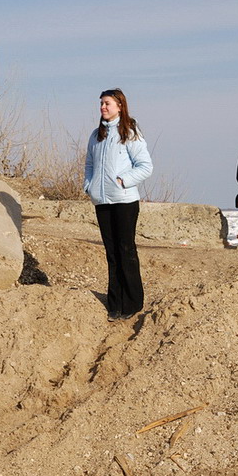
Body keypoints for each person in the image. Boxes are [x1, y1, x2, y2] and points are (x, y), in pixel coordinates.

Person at [83, 88, 153, 321]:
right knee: (111, 253)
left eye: (108, 103)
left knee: (126, 251)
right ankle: (115, 304)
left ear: (120, 106)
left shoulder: (130, 133)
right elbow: (89, 165)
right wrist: (89, 186)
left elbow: (145, 166)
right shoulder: (96, 135)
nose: (103, 107)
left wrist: (123, 181)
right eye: (101, 103)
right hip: (102, 202)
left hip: (124, 201)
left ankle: (133, 302)